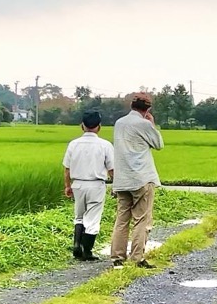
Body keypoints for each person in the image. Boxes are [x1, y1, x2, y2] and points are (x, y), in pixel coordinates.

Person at [111, 92, 163, 269]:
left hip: (122, 177)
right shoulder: (144, 124)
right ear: (147, 108)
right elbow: (158, 144)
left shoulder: (119, 123)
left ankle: (117, 257)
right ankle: (137, 257)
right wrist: (152, 123)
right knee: (141, 219)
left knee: (122, 218)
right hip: (141, 177)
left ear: (131, 106)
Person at [63, 110, 114, 261]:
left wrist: (67, 186)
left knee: (79, 216)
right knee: (92, 218)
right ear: (99, 127)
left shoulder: (73, 144)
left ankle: (77, 245)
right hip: (96, 185)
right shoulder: (105, 145)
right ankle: (87, 251)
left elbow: (67, 168)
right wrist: (116, 186)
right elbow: (112, 170)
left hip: (77, 184)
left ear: (82, 126)